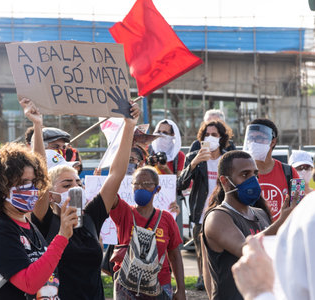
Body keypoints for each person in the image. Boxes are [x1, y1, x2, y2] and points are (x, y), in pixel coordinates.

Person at [31, 101, 140, 300]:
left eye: (77, 183)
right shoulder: (45, 219)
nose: (74, 188)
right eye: (66, 184)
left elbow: (115, 175)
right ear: (50, 193)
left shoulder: (91, 216)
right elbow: (38, 177)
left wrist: (129, 126)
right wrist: (38, 126)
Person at [0, 97, 78, 299]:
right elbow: (29, 283)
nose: (30, 189)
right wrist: (62, 237)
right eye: (22, 183)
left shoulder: (28, 224)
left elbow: (40, 164)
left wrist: (37, 125)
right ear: (0, 187)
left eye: (32, 182)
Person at [202, 150, 295, 300]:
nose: (253, 180)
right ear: (225, 181)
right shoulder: (217, 217)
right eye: (245, 175)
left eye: (255, 174)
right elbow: (245, 249)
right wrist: (281, 221)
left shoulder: (260, 213)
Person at [110, 166, 185, 299]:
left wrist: (181, 289)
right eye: (137, 184)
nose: (141, 188)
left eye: (147, 184)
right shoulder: (124, 212)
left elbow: (174, 254)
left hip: (160, 285)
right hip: (127, 286)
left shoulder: (166, 218)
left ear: (157, 189)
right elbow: (109, 193)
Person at [178, 120, 232, 290]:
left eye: (214, 135)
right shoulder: (194, 158)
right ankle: (204, 282)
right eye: (206, 135)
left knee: (225, 253)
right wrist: (193, 164)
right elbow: (180, 185)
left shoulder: (229, 159)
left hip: (225, 214)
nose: (210, 138)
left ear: (221, 138)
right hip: (201, 216)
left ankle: (223, 284)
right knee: (202, 254)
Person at [232, 191, 315, 300]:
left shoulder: (308, 210)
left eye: (254, 174)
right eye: (245, 174)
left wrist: (259, 293)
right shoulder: (307, 208)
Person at [243, 119, 299, 222]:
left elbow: (300, 205)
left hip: (281, 234)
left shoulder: (290, 172)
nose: (254, 142)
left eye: (260, 138)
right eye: (251, 138)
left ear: (273, 141)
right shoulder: (242, 174)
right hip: (253, 235)